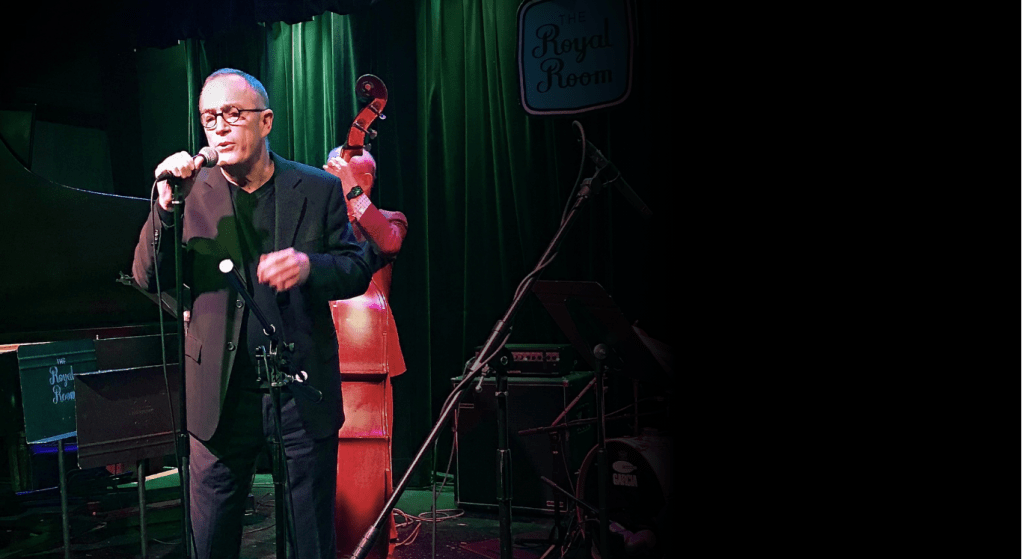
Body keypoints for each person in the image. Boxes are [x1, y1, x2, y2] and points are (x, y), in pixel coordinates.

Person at [132, 68, 372, 559]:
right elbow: (146, 277)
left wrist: (310, 265)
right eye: (209, 117)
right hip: (219, 396)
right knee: (211, 540)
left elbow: (355, 269)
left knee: (309, 539)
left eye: (232, 114)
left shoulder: (316, 188)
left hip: (299, 389)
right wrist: (163, 209)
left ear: (265, 122)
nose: (219, 126)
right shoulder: (186, 195)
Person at [323, 147, 408, 558]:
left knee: (373, 465)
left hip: (369, 355)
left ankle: (372, 540)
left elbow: (388, 243)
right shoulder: (324, 222)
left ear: (366, 181)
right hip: (322, 353)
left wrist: (351, 191)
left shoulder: (389, 219)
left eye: (346, 176)